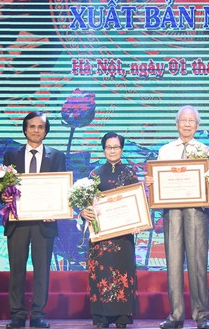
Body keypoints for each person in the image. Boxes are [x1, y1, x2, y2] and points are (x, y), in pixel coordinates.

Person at [146, 106, 209, 329]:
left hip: (196, 211)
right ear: (176, 124)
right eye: (183, 120)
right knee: (173, 263)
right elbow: (158, 178)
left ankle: (201, 316)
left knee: (198, 263)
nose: (186, 124)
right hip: (171, 210)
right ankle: (175, 315)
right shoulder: (165, 150)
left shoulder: (205, 151)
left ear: (197, 125)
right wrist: (152, 183)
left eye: (191, 121)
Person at [2, 111, 66, 329]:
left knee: (42, 270)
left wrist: (56, 209)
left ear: (46, 131)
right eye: (32, 126)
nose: (36, 130)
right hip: (17, 221)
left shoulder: (56, 156)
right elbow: (2, 187)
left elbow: (61, 188)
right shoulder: (11, 155)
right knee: (16, 269)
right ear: (25, 129)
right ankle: (18, 314)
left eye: (41, 127)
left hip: (44, 223)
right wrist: (3, 195)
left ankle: (38, 314)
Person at [80, 132, 139, 328]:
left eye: (116, 147)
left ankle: (122, 317)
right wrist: (83, 212)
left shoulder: (130, 174)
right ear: (103, 149)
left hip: (123, 236)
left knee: (123, 273)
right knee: (102, 274)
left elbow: (138, 203)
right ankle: (101, 317)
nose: (112, 151)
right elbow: (86, 203)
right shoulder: (94, 174)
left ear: (122, 149)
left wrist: (138, 220)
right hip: (101, 237)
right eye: (108, 147)